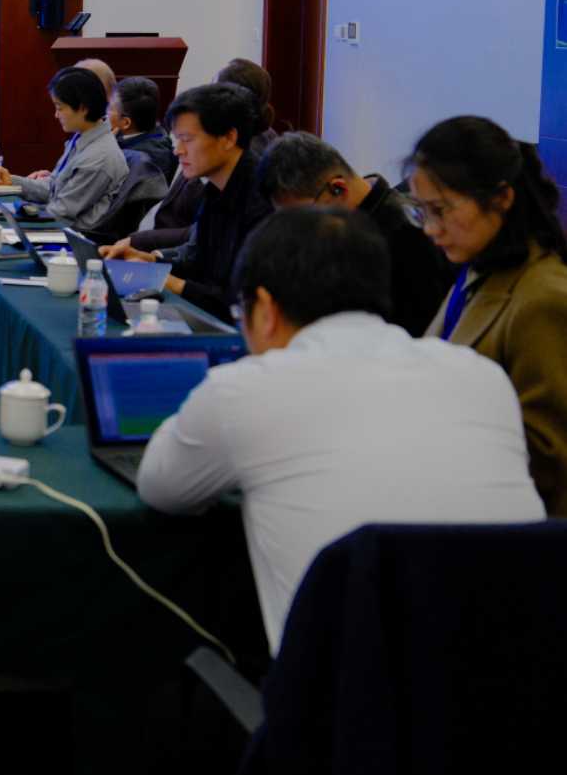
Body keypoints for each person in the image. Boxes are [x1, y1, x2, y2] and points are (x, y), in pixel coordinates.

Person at [137, 207, 544, 653]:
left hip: (346, 691)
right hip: (520, 681)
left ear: (265, 309)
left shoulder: (244, 390)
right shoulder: (483, 376)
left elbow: (161, 486)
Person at [408, 116, 567, 515]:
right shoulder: (477, 270)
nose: (430, 229)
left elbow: (549, 458)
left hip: (512, 526)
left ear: (501, 198)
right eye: (422, 212)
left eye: (440, 210)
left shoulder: (544, 297)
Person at [102, 82, 272, 322]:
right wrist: (149, 259)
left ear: (228, 138)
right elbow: (196, 256)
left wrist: (164, 280)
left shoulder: (261, 201)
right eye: (177, 139)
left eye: (187, 139)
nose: (178, 150)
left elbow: (236, 302)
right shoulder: (216, 188)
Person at [260, 131, 453, 338]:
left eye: (302, 217)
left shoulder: (407, 237)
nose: (298, 230)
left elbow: (417, 334)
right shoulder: (343, 226)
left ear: (338, 188)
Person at [130, 57, 278, 251]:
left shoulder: (248, 190)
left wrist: (142, 243)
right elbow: (197, 251)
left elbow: (205, 245)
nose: (178, 150)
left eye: (187, 139)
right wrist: (154, 256)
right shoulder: (217, 180)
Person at [0, 67, 127, 232]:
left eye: (60, 108)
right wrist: (13, 182)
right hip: (57, 223)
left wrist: (10, 214)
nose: (56, 115)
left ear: (83, 108)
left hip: (71, 235)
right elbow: (53, 188)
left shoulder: (98, 158)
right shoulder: (82, 137)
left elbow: (61, 213)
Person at [110, 76, 175, 181]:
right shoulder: (146, 130)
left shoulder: (145, 161)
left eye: (110, 108)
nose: (105, 112)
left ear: (126, 123)